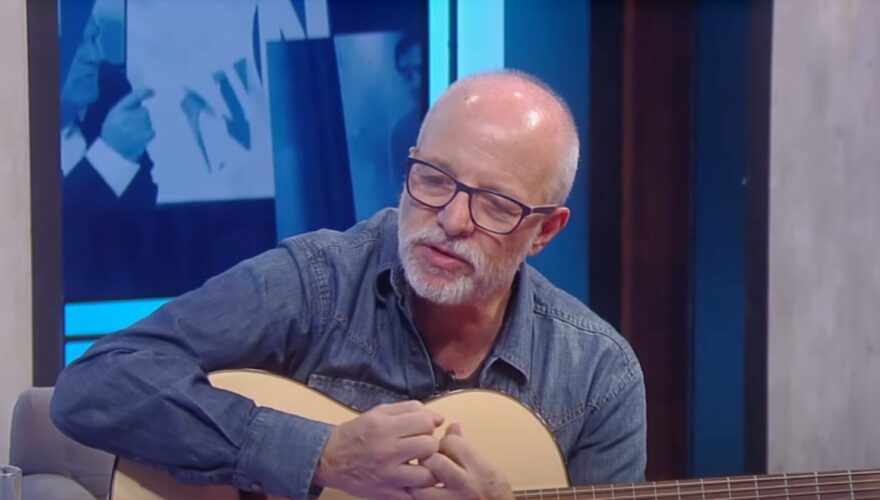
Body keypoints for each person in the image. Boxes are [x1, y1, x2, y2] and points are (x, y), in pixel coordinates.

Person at [51, 70, 646, 500]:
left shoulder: (599, 374)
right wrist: (320, 455)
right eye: (433, 179)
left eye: (493, 204)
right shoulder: (318, 280)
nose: (451, 220)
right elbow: (95, 385)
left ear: (544, 231)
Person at [59, 6, 158, 300]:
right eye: (74, 44)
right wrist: (109, 158)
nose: (93, 56)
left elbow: (141, 228)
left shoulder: (109, 91)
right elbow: (41, 247)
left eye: (94, 40)